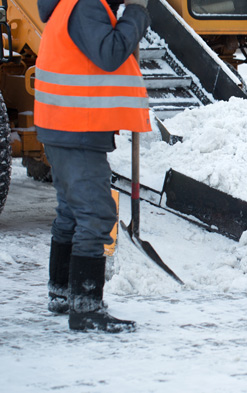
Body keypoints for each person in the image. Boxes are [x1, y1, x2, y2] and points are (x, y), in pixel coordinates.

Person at [35, 0, 151, 332]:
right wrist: (136, 15)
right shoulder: (86, 5)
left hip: (63, 125)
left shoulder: (69, 4)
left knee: (71, 211)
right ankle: (86, 308)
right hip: (76, 128)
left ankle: (62, 292)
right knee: (96, 213)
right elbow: (109, 53)